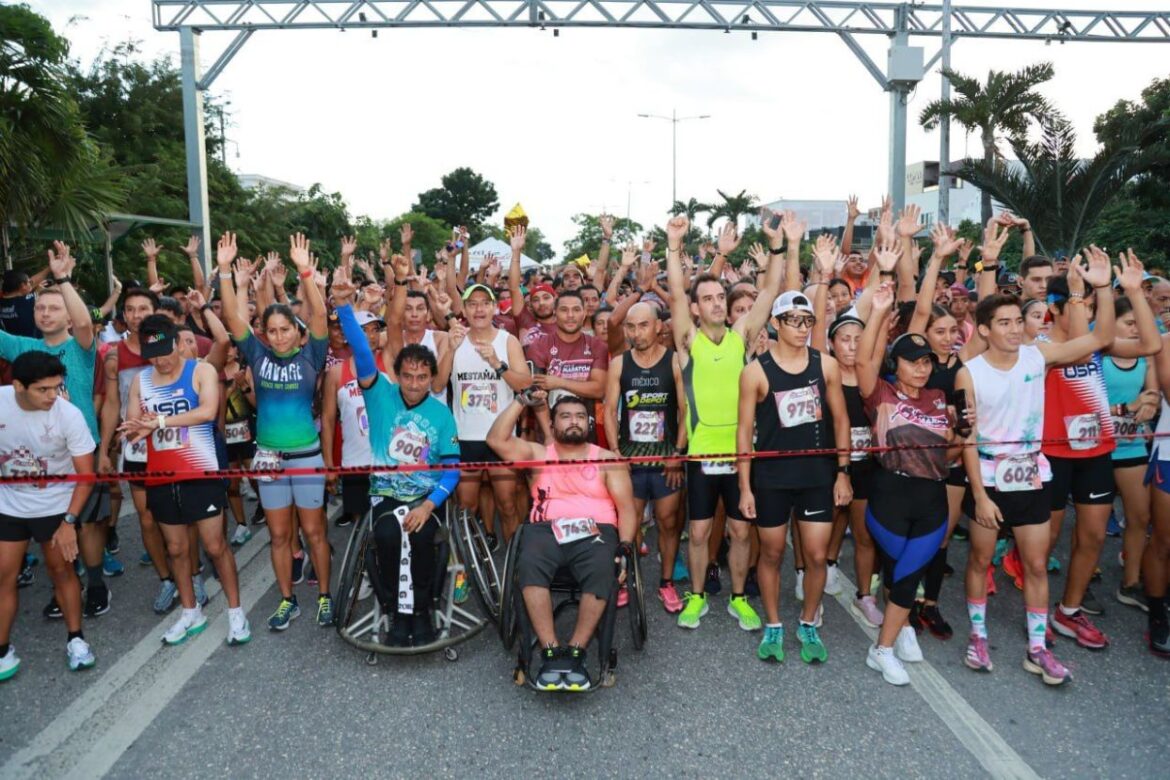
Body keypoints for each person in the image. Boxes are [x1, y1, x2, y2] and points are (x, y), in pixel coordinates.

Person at [954, 245, 1121, 685]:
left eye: (1018, 321)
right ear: (985, 329)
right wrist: (979, 495)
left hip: (1031, 474)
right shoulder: (969, 372)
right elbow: (967, 437)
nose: (1014, 329)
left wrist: (1102, 287)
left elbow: (1100, 338)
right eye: (1004, 323)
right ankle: (978, 635)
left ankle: (1037, 648)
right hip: (989, 476)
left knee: (1035, 563)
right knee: (980, 560)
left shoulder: (1038, 356)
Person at [665, 214, 789, 631]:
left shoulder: (742, 337)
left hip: (740, 454)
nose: (718, 303)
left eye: (722, 296)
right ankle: (697, 595)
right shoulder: (688, 341)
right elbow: (676, 295)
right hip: (701, 455)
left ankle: (738, 598)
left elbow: (769, 291)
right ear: (697, 308)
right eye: (709, 299)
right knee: (699, 533)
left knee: (740, 531)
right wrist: (674, 245)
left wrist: (777, 245)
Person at [1040, 251, 1159, 649]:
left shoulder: (1098, 346)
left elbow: (1150, 343)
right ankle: (1036, 615)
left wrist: (1131, 292)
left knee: (1092, 537)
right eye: (1082, 305)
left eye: (1092, 307)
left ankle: (1069, 611)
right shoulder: (1039, 348)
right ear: (1057, 308)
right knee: (1045, 542)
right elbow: (1087, 342)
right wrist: (1089, 291)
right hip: (1053, 454)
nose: (1090, 313)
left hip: (1095, 452)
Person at [217, 232, 335, 630]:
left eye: (286, 329)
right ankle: (287, 599)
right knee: (280, 536)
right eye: (273, 330)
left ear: (297, 332)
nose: (280, 336)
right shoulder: (256, 354)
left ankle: (325, 596)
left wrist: (305, 273)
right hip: (268, 459)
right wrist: (225, 272)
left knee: (314, 532)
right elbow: (232, 318)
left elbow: (320, 318)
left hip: (306, 457)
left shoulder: (312, 355)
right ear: (264, 334)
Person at [486, 393, 637, 691]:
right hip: (546, 530)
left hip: (595, 530)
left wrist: (625, 545)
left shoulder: (607, 459)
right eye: (565, 416)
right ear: (552, 425)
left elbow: (627, 509)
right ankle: (551, 650)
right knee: (528, 563)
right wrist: (521, 401)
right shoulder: (539, 454)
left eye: (580, 416)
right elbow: (496, 440)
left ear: (589, 423)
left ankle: (577, 650)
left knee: (603, 568)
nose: (574, 421)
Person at [0, 243, 119, 620]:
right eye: (40, 308)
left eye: (54, 308)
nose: (45, 313)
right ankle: (65, 585)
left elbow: (85, 324)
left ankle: (96, 584)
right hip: (41, 457)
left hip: (81, 449)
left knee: (87, 525)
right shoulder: (23, 347)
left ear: (68, 315)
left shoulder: (82, 347)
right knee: (55, 528)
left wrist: (63, 279)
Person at [856, 283, 963, 685]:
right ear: (895, 364)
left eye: (926, 361)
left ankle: (889, 639)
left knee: (907, 574)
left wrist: (962, 435)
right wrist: (878, 312)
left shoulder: (938, 397)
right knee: (901, 574)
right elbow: (863, 359)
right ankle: (888, 642)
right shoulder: (879, 393)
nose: (921, 368)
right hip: (889, 497)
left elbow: (951, 451)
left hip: (933, 497)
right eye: (912, 361)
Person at [737, 290, 853, 664]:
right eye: (794, 321)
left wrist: (843, 473)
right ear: (776, 323)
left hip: (817, 476)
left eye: (808, 322)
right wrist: (744, 487)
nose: (803, 328)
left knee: (817, 555)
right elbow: (744, 432)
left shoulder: (826, 366)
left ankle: (808, 622)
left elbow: (841, 420)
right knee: (771, 553)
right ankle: (773, 624)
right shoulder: (755, 372)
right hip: (771, 477)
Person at [120, 316, 250, 646]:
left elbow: (206, 412)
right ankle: (191, 611)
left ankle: (236, 612)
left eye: (165, 351)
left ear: (178, 344)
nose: (160, 360)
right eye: (152, 355)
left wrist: (159, 421)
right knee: (177, 550)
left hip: (200, 472)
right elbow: (133, 428)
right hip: (162, 476)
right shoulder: (140, 381)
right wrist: (137, 428)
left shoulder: (200, 370)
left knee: (215, 546)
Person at [335, 305, 461, 646]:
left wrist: (429, 506)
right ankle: (395, 611)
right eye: (407, 376)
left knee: (422, 539)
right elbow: (363, 353)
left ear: (432, 378)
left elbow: (452, 470)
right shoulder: (380, 395)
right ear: (397, 375)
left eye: (422, 377)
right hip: (386, 495)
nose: (414, 384)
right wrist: (344, 308)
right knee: (388, 537)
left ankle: (421, 610)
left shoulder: (441, 415)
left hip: (425, 498)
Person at [0, 351, 96, 679]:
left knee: (61, 571)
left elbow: (86, 476)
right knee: (4, 576)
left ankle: (76, 640)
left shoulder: (68, 415)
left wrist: (69, 521)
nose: (53, 395)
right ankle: (2, 651)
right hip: (9, 505)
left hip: (55, 506)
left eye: (57, 387)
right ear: (18, 386)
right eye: (43, 389)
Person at [99, 286, 193, 614]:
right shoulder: (114, 355)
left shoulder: (174, 347)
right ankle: (166, 578)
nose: (136, 315)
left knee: (184, 515)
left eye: (143, 309)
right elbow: (112, 404)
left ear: (155, 312)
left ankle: (191, 575)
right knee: (148, 518)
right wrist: (104, 449)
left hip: (177, 445)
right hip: (138, 450)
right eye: (129, 309)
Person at [448, 234, 532, 545]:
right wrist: (448, 350)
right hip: (465, 437)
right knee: (466, 507)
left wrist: (497, 364)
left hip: (502, 436)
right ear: (464, 309)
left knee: (507, 505)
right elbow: (436, 384)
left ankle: (515, 561)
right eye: (472, 304)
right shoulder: (454, 340)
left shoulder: (508, 341)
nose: (479, 309)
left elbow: (525, 385)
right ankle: (468, 565)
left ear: (495, 308)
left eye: (485, 303)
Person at [603, 301, 686, 612]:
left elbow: (686, 410)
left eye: (643, 325)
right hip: (631, 460)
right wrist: (615, 454)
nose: (637, 333)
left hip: (666, 461)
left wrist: (677, 453)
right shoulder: (619, 364)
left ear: (658, 326)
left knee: (668, 522)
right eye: (631, 327)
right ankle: (626, 579)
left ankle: (666, 583)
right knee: (630, 524)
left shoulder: (675, 361)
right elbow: (609, 411)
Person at [825, 314, 883, 628]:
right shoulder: (825, 375)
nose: (851, 346)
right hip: (831, 466)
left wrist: (881, 310)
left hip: (867, 468)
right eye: (844, 339)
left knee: (864, 534)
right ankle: (820, 571)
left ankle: (864, 596)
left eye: (858, 340)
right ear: (831, 343)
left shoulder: (871, 379)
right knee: (828, 524)